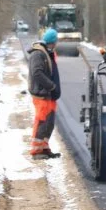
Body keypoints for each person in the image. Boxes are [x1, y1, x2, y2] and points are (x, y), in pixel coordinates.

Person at [28, 28, 62, 159]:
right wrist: (51, 85)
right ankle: (36, 152)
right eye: (56, 41)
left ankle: (44, 148)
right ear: (52, 41)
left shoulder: (47, 52)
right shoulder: (38, 54)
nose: (56, 43)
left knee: (49, 123)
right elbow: (37, 73)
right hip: (42, 94)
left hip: (49, 94)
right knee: (42, 121)